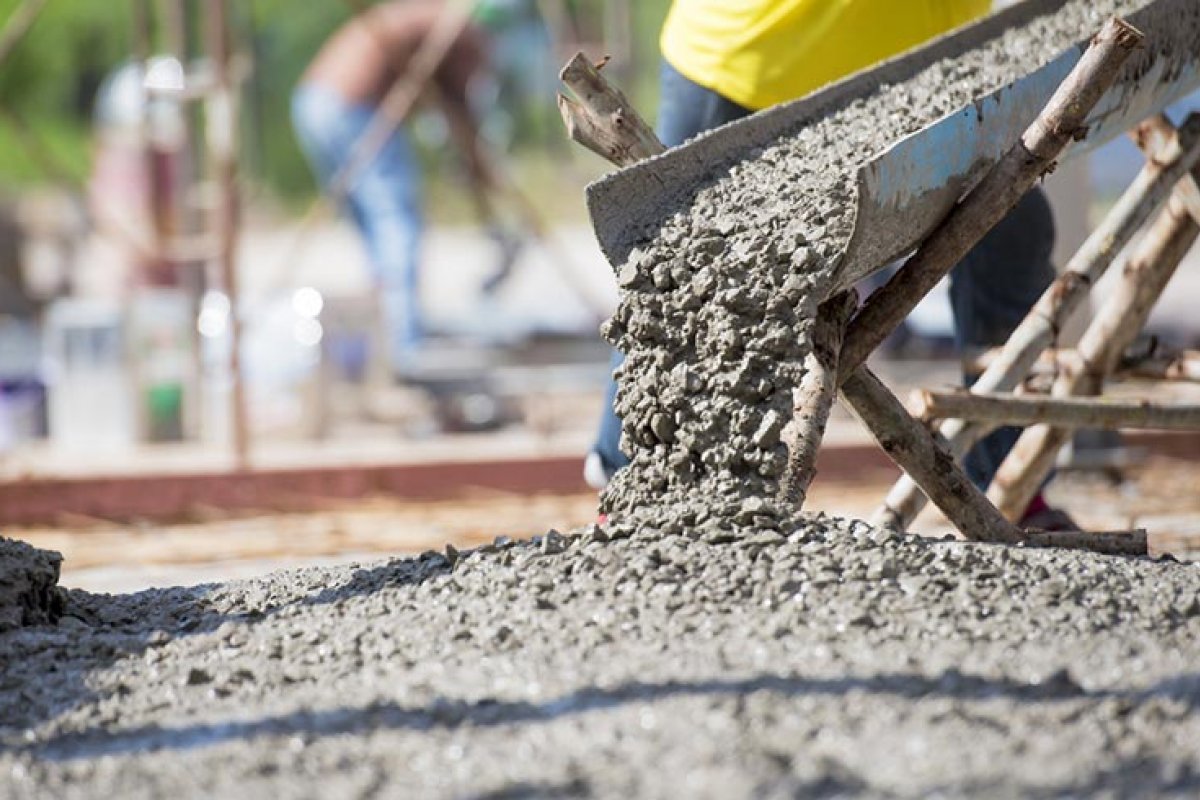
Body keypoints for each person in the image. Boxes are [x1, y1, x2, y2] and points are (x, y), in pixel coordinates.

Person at [585, 0, 1074, 530]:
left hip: (931, 72)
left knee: (1011, 238)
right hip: (752, 62)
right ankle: (636, 490)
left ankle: (1012, 485)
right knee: (686, 282)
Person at [291, 0, 493, 375]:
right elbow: (461, 107)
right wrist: (479, 169)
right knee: (396, 218)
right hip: (351, 106)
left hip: (312, 102)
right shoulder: (460, 30)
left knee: (374, 229)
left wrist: (474, 165)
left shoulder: (426, 18)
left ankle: (387, 331)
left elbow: (451, 107)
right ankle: (405, 344)